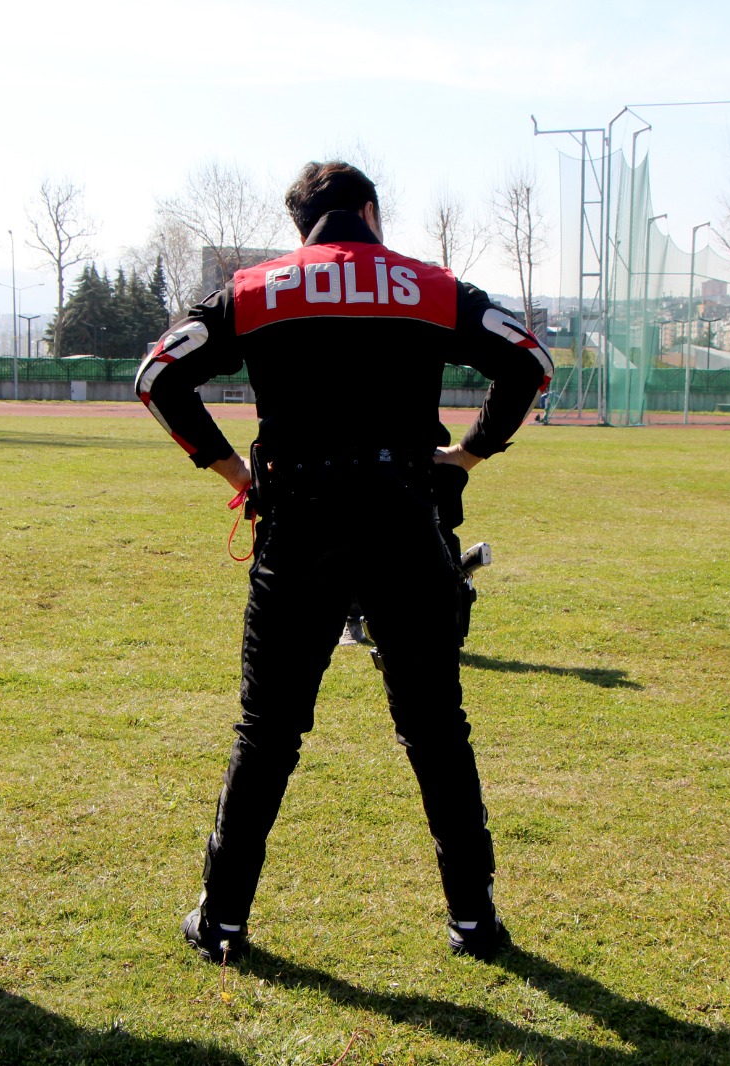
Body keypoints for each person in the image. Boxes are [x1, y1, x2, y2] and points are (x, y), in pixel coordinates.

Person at [137, 161, 551, 962]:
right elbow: (530, 363)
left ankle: (221, 920)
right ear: (369, 211)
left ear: (303, 227)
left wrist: (236, 475)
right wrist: (467, 455)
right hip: (405, 517)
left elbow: (158, 376)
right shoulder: (429, 287)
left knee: (268, 730)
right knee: (436, 728)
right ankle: (475, 920)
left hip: (298, 523)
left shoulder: (257, 290)